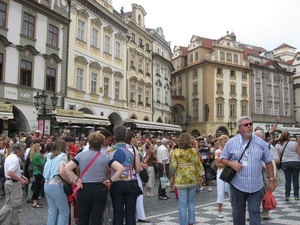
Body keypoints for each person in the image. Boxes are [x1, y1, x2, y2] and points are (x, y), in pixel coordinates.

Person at [220, 116, 276, 225]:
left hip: (256, 185)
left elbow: (269, 161)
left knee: (255, 212)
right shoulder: (231, 142)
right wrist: (231, 163)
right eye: (246, 125)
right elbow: (222, 158)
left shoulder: (260, 142)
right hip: (237, 185)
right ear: (240, 127)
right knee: (238, 213)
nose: (249, 126)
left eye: (250, 124)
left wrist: (272, 180)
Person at [65, 132, 124, 225]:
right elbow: (120, 168)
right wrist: (111, 180)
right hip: (100, 188)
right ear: (101, 145)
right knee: (96, 218)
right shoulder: (106, 157)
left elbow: (67, 168)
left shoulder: (81, 155)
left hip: (84, 187)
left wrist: (76, 180)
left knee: (83, 218)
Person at [108, 125, 141, 225]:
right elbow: (138, 168)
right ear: (126, 135)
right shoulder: (134, 149)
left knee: (117, 212)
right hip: (131, 181)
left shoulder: (110, 150)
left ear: (115, 136)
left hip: (116, 182)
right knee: (130, 212)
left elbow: (108, 168)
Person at [171, 133, 204, 225]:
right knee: (191, 201)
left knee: (182, 203)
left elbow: (173, 166)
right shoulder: (193, 151)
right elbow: (198, 164)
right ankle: (191, 221)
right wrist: (201, 175)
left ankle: (183, 223)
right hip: (193, 178)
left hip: (181, 180)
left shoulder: (176, 152)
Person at [43, 139, 71, 225]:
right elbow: (62, 171)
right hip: (56, 185)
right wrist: (69, 181)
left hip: (47, 184)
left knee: (52, 212)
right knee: (64, 212)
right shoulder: (63, 156)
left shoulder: (49, 156)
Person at [0, 143, 28, 224]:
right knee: (15, 205)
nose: (24, 152)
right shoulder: (15, 159)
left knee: (8, 204)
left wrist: (21, 176)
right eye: (23, 150)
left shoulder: (10, 157)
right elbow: (10, 172)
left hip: (9, 182)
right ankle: (14, 223)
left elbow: (11, 171)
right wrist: (20, 179)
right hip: (13, 183)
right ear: (19, 150)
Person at [254, 129, 279, 220]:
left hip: (265, 173)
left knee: (265, 192)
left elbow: (277, 160)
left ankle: (265, 211)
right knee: (254, 194)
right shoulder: (251, 147)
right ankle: (254, 213)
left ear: (263, 137)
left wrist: (265, 165)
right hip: (254, 174)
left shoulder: (269, 147)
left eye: (257, 136)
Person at [276, 131, 300, 201]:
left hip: (285, 162)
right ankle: (296, 196)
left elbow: (279, 156)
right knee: (295, 180)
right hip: (296, 162)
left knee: (288, 180)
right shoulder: (295, 143)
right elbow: (299, 153)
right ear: (289, 137)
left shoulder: (279, 145)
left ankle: (287, 196)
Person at [214, 134, 230, 218]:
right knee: (220, 192)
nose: (226, 143)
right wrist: (228, 164)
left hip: (229, 172)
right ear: (220, 143)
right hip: (220, 173)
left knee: (231, 191)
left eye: (227, 141)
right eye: (224, 142)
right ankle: (220, 210)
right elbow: (217, 164)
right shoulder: (218, 151)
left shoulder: (230, 151)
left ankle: (234, 208)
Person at [31, 142, 46, 208]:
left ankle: (36, 201)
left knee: (37, 187)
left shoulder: (35, 155)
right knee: (37, 187)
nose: (41, 147)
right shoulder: (37, 155)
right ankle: (34, 202)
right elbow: (41, 163)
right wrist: (45, 158)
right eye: (39, 146)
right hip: (38, 172)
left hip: (36, 172)